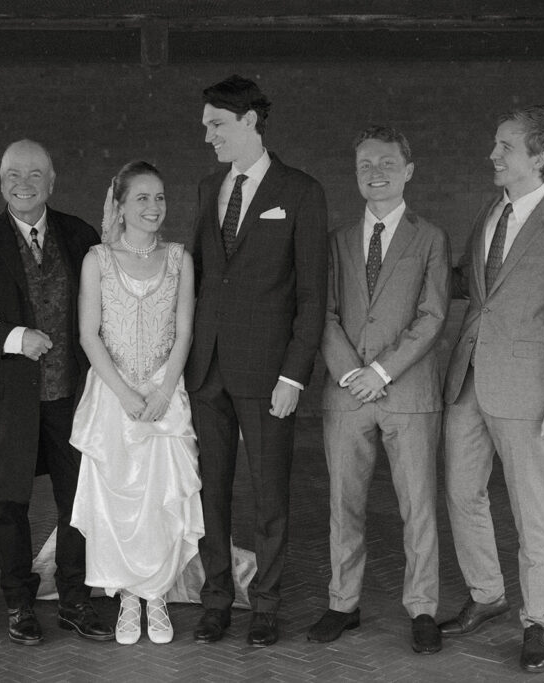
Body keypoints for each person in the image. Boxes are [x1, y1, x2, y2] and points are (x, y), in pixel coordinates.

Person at [440, 105, 544, 673]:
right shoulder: (490, 211)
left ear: (538, 157)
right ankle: (487, 595)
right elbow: (467, 283)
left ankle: (538, 621)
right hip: (467, 382)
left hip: (529, 393)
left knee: (532, 508)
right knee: (462, 494)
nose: (493, 154)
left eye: (505, 146)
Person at [0, 139, 112, 646]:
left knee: (77, 502)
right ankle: (19, 603)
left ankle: (74, 600)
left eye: (35, 174)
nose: (24, 183)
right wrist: (15, 338)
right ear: (1, 183)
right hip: (8, 401)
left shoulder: (79, 235)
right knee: (9, 505)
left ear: (52, 181)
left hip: (72, 396)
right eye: (13, 175)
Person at [186, 74, 328, 647]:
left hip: (271, 374)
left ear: (249, 122)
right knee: (209, 493)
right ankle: (216, 599)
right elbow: (197, 277)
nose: (208, 137)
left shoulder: (300, 192)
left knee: (270, 495)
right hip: (205, 371)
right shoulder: (206, 188)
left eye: (217, 125)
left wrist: (295, 373)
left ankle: (265, 603)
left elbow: (314, 296)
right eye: (205, 127)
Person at [311, 126, 450, 654]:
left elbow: (433, 314)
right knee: (343, 504)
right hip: (347, 395)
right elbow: (322, 313)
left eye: (388, 163)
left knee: (418, 506)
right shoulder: (338, 241)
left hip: (409, 395)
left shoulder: (430, 238)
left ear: (408, 171)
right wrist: (352, 373)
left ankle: (423, 608)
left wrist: (382, 372)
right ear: (355, 173)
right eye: (366, 163)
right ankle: (343, 603)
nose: (377, 172)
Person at [70, 161, 204, 645]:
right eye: (142, 198)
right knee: (116, 502)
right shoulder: (97, 260)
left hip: (165, 394)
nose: (153, 207)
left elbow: (185, 331)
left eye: (160, 197)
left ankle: (158, 595)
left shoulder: (179, 259)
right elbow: (88, 333)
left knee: (162, 498)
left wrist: (164, 391)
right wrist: (126, 393)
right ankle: (128, 597)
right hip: (114, 396)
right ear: (120, 205)